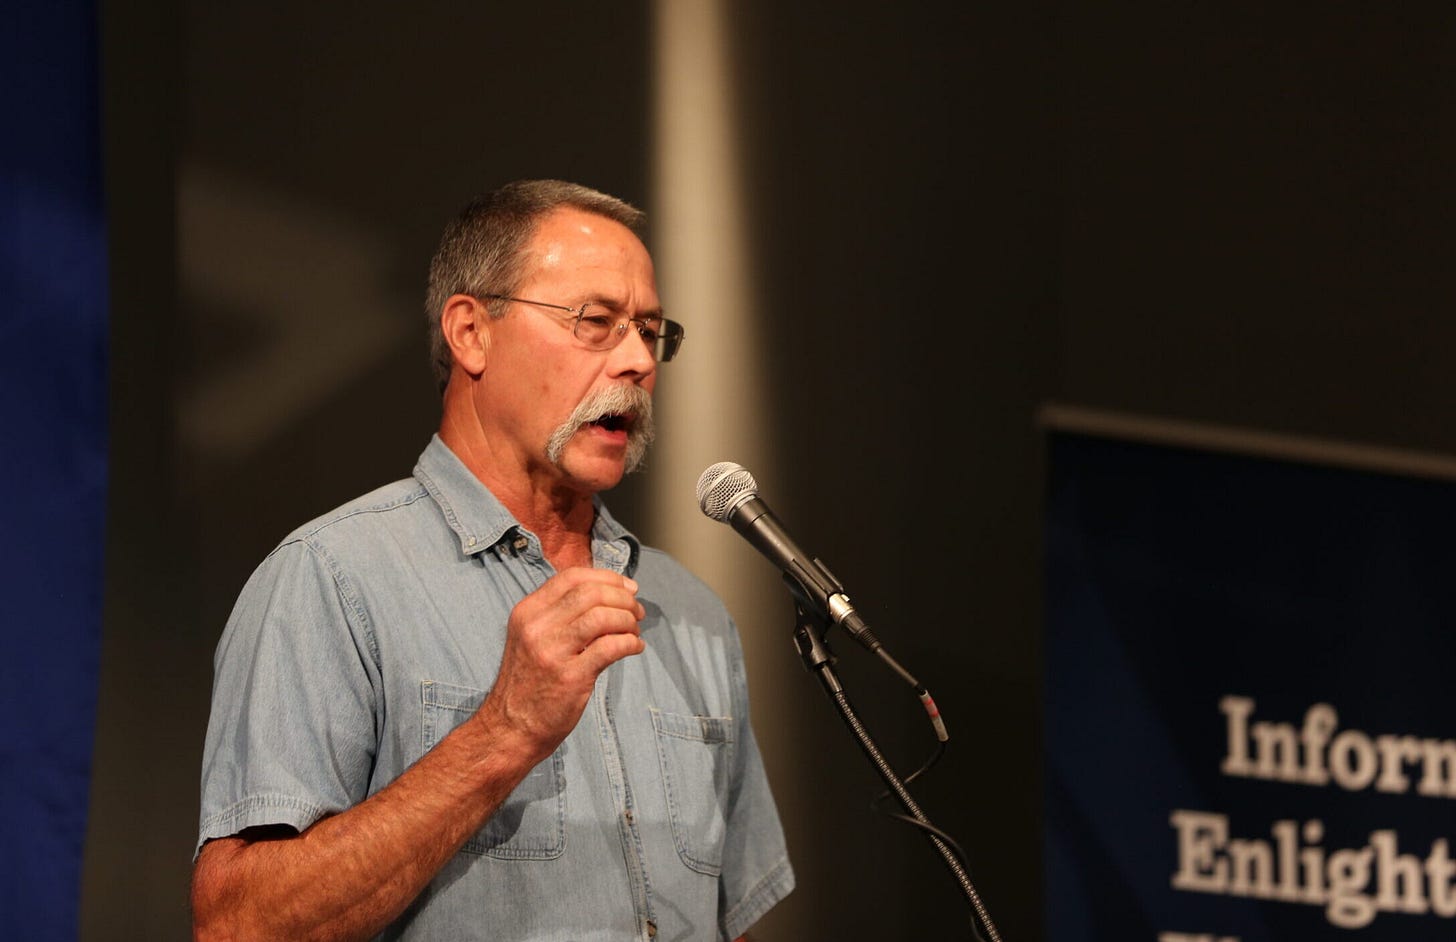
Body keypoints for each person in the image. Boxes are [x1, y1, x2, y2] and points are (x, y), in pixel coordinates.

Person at [190, 179, 795, 941]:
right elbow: (239, 926)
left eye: (650, 329)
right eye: (596, 322)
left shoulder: (691, 611)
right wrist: (502, 733)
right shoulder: (333, 578)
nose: (639, 360)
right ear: (471, 332)